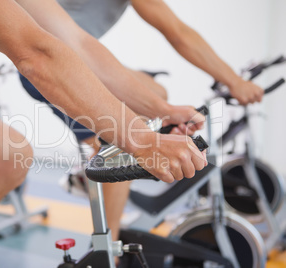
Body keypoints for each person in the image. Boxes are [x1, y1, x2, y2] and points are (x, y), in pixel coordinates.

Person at [0, 0, 207, 267]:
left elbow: (77, 42)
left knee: (12, 154)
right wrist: (141, 139)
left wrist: (159, 109)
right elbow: (35, 55)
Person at [16, 0, 265, 248]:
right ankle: (107, 248)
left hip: (75, 55)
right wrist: (233, 81)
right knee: (122, 146)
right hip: (55, 63)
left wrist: (164, 111)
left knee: (157, 93)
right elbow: (178, 32)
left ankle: (94, 178)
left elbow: (83, 45)